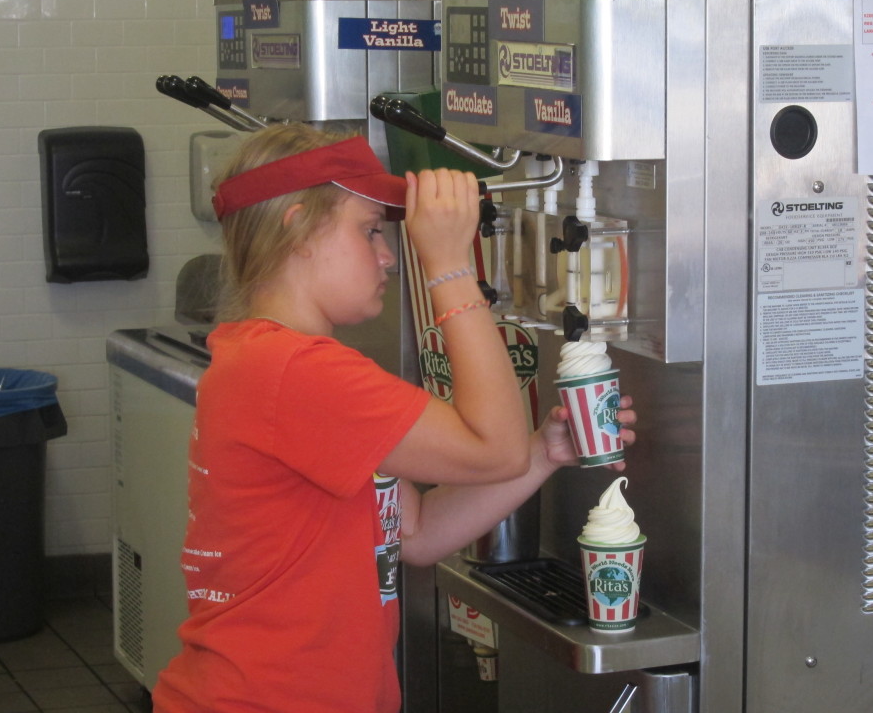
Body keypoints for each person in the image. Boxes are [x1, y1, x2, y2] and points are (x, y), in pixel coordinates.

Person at [151, 123, 637, 713]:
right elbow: (493, 449)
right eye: (370, 231)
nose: (386, 256)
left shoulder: (278, 363)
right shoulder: (295, 372)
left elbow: (416, 531)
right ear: (298, 228)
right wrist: (449, 267)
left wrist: (544, 451)